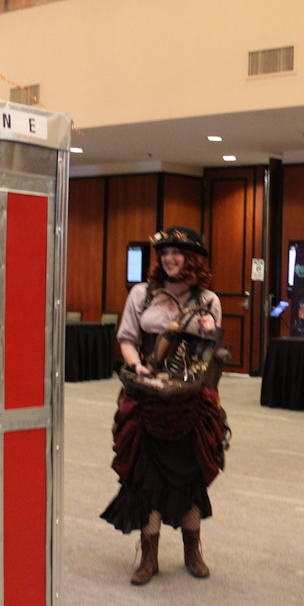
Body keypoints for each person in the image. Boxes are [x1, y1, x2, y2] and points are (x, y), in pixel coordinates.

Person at [101, 226, 225, 585]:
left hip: (189, 401)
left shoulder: (209, 300)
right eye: (165, 252)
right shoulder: (141, 294)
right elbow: (127, 339)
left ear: (193, 258)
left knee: (190, 473)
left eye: (178, 252)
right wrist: (136, 365)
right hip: (148, 398)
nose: (170, 258)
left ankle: (193, 552)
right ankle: (149, 557)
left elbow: (210, 352)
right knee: (147, 478)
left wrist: (208, 328)